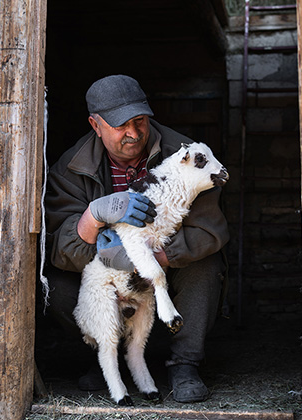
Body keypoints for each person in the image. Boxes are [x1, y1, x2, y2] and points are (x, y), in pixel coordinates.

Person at [44, 74, 229, 403]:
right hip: (106, 274)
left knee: (207, 265)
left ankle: (184, 363)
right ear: (95, 125)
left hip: (166, 266)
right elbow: (59, 250)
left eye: (140, 121)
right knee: (57, 286)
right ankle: (104, 356)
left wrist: (149, 261)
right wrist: (93, 216)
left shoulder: (186, 156)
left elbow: (209, 232)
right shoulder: (71, 168)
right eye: (120, 126)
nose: (133, 133)